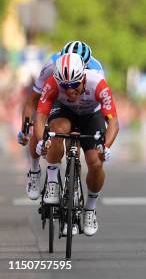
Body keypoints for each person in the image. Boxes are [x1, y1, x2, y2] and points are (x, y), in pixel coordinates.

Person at [33, 53, 119, 236]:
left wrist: (107, 146)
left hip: (91, 116)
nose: (70, 90)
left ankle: (90, 208)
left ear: (84, 77)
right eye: (65, 86)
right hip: (65, 112)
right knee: (57, 131)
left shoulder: (98, 84)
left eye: (74, 85)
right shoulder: (52, 84)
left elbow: (113, 123)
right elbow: (40, 116)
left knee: (95, 162)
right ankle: (53, 183)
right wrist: (42, 141)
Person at [21, 41, 104, 201]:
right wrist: (24, 128)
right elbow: (33, 101)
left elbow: (99, 106)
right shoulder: (51, 65)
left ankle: (73, 180)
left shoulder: (96, 71)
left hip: (84, 102)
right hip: (57, 97)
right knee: (40, 126)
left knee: (77, 136)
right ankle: (35, 171)